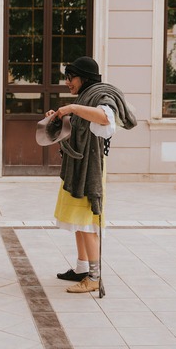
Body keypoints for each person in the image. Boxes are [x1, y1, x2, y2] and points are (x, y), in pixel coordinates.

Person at [47, 56, 136, 293]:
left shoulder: (101, 95)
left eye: (70, 77)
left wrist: (73, 108)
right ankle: (81, 268)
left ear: (83, 78)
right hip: (78, 167)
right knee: (78, 221)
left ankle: (94, 278)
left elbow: (106, 117)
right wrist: (62, 117)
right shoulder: (87, 96)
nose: (67, 82)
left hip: (89, 171)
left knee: (87, 223)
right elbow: (80, 127)